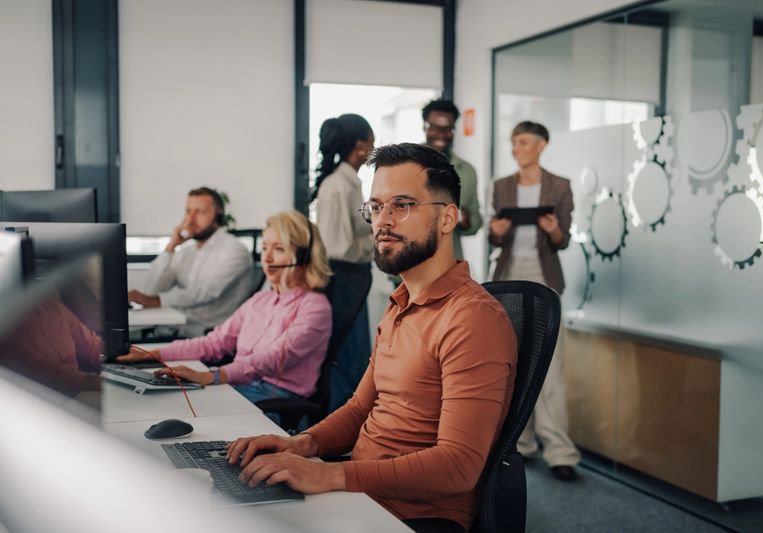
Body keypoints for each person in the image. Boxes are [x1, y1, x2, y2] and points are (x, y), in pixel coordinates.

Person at [226, 143, 517, 533]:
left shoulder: (472, 319)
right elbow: (359, 408)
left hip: (414, 517)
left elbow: (458, 466)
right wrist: (303, 445)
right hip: (361, 497)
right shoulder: (400, 304)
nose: (383, 221)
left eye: (402, 205)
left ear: (448, 218)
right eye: (376, 207)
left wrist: (330, 475)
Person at [118, 211, 333, 421]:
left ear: (303, 257)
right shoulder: (260, 300)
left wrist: (212, 376)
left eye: (278, 249)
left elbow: (272, 359)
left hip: (275, 397)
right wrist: (152, 354)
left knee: (186, 411)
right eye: (265, 248)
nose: (266, 258)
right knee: (166, 401)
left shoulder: (315, 308)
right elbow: (215, 342)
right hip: (239, 384)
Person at [488, 121, 580, 482]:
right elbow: (497, 241)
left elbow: (563, 240)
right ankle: (519, 443)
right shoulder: (501, 187)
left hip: (544, 278)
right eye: (513, 142)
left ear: (542, 145)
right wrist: (496, 234)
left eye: (523, 142)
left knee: (551, 366)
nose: (516, 148)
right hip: (508, 276)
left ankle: (559, 450)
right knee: (511, 362)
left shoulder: (560, 186)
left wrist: (553, 229)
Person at [311, 114, 375, 412]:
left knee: (357, 355)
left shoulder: (351, 183)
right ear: (361, 145)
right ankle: (335, 429)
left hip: (354, 278)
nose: (374, 146)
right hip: (343, 279)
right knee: (346, 356)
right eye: (372, 140)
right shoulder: (338, 185)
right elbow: (337, 245)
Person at [128, 187, 254, 337]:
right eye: (188, 211)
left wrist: (157, 301)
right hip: (175, 331)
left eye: (200, 212)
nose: (190, 219)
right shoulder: (187, 252)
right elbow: (150, 290)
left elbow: (207, 292)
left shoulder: (234, 250)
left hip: (208, 337)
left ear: (218, 218)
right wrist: (171, 247)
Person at [422, 98, 483, 261]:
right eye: (435, 127)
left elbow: (476, 223)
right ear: (424, 127)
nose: (441, 134)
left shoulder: (467, 171)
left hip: (448, 265)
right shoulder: (405, 165)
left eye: (448, 128)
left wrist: (467, 221)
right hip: (408, 266)